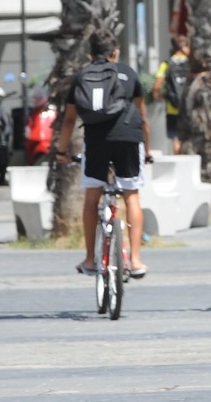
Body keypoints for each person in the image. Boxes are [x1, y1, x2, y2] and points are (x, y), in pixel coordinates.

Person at [55, 29, 153, 279]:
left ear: (90, 54)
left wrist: (61, 152)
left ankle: (90, 259)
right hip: (129, 138)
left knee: (92, 199)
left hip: (97, 141)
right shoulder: (128, 74)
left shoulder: (81, 76)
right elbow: (142, 119)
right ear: (115, 53)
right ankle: (137, 260)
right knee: (131, 196)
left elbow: (68, 121)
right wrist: (148, 150)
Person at [151, 34, 190, 154]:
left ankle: (178, 158)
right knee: (187, 136)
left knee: (175, 138)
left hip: (172, 106)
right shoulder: (191, 63)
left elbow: (157, 85)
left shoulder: (166, 64)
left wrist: (158, 95)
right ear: (184, 48)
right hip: (188, 106)